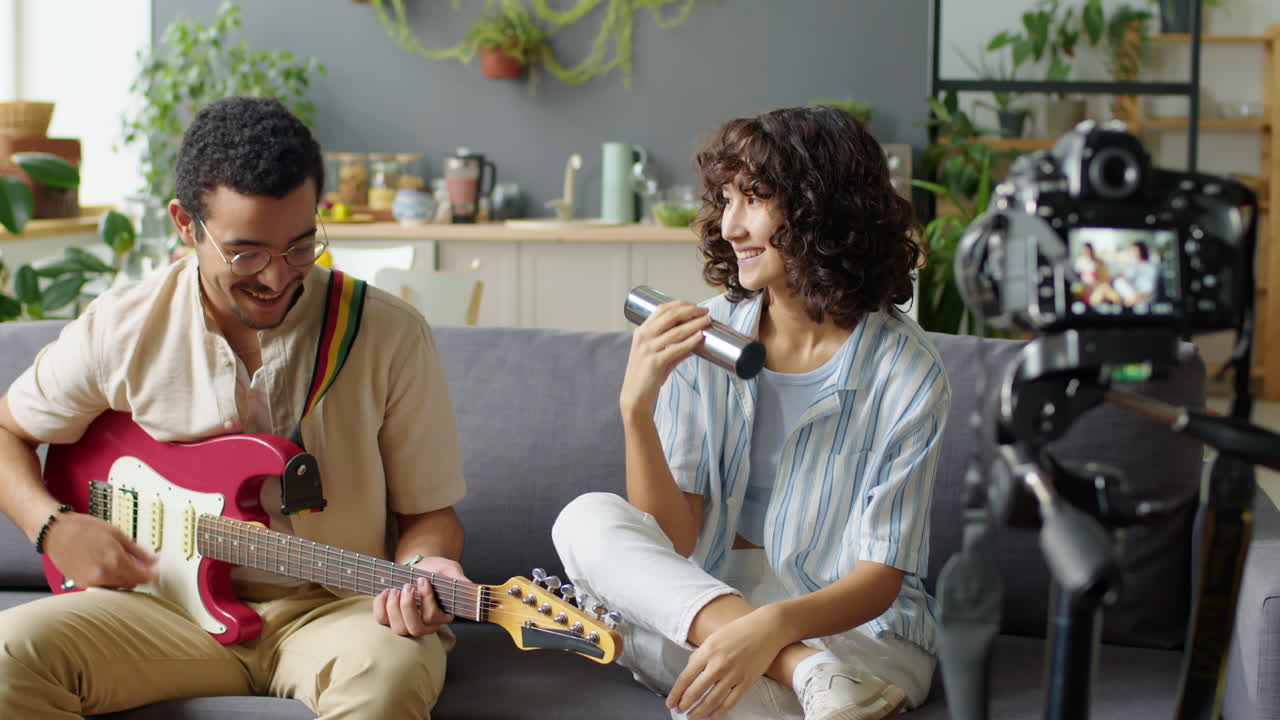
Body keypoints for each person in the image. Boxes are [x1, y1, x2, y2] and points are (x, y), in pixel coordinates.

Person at [0, 97, 467, 718]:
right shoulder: (123, 326)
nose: (276, 278)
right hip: (159, 610)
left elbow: (431, 515)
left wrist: (421, 568)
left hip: (335, 610)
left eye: (301, 247)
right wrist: (51, 526)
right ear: (186, 225)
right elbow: (7, 429)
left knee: (389, 680)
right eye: (245, 253)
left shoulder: (388, 333)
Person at [553, 106, 949, 720]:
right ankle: (809, 674)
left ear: (823, 208)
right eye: (726, 200)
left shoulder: (907, 372)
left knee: (714, 701)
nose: (731, 226)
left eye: (755, 199)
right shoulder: (704, 338)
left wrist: (770, 627)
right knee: (584, 520)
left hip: (854, 625)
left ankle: (814, 673)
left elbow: (880, 579)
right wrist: (636, 408)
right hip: (712, 601)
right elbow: (673, 539)